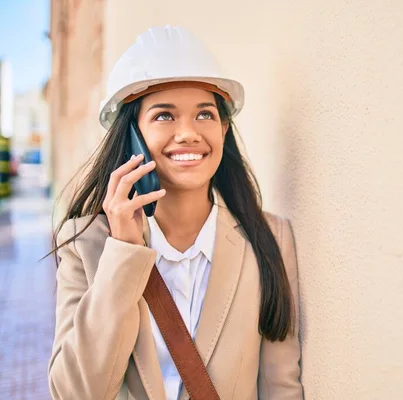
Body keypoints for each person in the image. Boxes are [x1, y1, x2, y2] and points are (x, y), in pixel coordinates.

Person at [47, 25, 303, 400]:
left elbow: (281, 387)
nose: (188, 133)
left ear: (224, 128)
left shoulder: (270, 238)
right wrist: (123, 254)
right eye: (164, 116)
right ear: (131, 134)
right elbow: (75, 393)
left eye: (204, 115)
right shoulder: (85, 243)